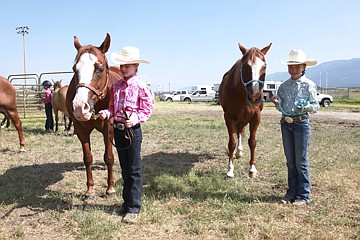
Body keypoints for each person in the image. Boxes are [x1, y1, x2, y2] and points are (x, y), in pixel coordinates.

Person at [98, 46, 154, 223]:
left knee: (134, 169)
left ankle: (134, 208)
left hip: (132, 132)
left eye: (127, 66)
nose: (123, 69)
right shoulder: (116, 86)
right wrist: (107, 114)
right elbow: (112, 107)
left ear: (136, 66)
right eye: (121, 65)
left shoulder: (141, 86)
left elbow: (147, 108)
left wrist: (136, 118)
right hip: (119, 131)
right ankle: (126, 203)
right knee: (124, 168)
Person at [271, 49, 320, 206]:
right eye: (291, 66)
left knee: (301, 161)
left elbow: (315, 106)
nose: (293, 70)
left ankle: (304, 195)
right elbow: (282, 107)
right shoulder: (283, 87)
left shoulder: (309, 85)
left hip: (301, 124)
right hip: (286, 124)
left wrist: (306, 106)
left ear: (303, 67)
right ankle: (291, 193)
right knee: (290, 160)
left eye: (296, 66)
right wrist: (277, 103)